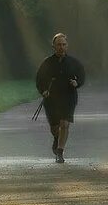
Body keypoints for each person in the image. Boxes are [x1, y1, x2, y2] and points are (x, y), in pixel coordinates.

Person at [36, 33, 85, 163]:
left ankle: (60, 151)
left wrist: (77, 83)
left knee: (65, 124)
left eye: (63, 44)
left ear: (67, 46)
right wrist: (44, 90)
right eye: (58, 45)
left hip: (68, 98)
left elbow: (81, 77)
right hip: (51, 99)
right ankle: (57, 139)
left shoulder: (74, 63)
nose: (61, 47)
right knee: (54, 127)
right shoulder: (47, 62)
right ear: (53, 46)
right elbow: (39, 80)